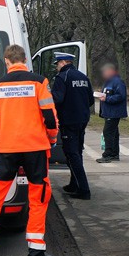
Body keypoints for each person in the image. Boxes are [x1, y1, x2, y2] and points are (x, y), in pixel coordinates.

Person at [0, 45, 58, 256]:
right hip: (35, 149)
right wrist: (51, 139)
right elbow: (50, 119)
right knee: (37, 200)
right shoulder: (39, 82)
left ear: (6, 61)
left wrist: (7, 134)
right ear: (25, 60)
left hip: (7, 149)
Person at [51, 53, 94, 199]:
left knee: (71, 154)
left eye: (57, 64)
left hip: (68, 120)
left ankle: (83, 189)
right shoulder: (83, 77)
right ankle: (74, 184)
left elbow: (57, 98)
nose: (56, 67)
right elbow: (90, 99)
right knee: (77, 151)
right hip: (82, 119)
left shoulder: (62, 77)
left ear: (63, 62)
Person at [96, 63, 127, 163]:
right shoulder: (108, 82)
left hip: (114, 112)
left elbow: (121, 96)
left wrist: (107, 98)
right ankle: (114, 154)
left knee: (108, 132)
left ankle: (108, 154)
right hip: (109, 111)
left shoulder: (117, 81)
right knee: (113, 133)